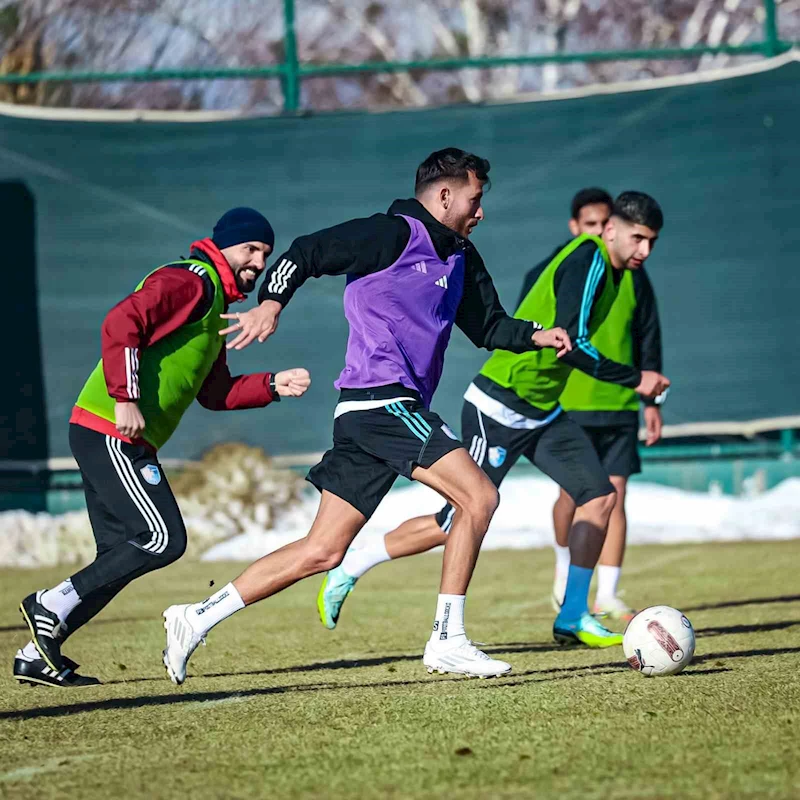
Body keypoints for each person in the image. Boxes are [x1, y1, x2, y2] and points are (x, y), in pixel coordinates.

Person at [161, 148, 571, 684]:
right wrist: (271, 303)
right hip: (383, 403)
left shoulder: (460, 256)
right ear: (445, 195)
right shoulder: (391, 233)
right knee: (479, 497)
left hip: (369, 415)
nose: (480, 211)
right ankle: (448, 640)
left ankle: (194, 617)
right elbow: (306, 253)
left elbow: (489, 325)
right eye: (474, 200)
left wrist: (536, 335)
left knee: (322, 551)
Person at [318, 191, 669, 649]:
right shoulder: (590, 259)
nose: (645, 250)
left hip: (543, 409)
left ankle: (573, 615)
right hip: (499, 405)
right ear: (611, 230)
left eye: (652, 242)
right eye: (638, 238)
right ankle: (352, 565)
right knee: (456, 518)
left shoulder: (621, 273)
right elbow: (572, 344)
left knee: (599, 497)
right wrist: (636, 379)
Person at [16, 208, 310, 689]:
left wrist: (273, 384)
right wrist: (125, 397)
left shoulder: (213, 306)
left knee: (118, 558)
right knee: (162, 539)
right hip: (111, 430)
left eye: (265, 253)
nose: (259, 262)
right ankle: (49, 604)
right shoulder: (193, 281)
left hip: (114, 434)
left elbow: (215, 394)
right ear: (224, 245)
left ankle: (34, 656)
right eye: (250, 249)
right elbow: (122, 321)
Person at [553, 190, 664, 622]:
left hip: (619, 404)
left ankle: (608, 594)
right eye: (591, 225)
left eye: (604, 224)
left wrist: (651, 400)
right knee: (572, 495)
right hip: (571, 401)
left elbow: (648, 336)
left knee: (614, 497)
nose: (599, 231)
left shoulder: (634, 275)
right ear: (576, 227)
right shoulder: (567, 265)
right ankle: (564, 576)